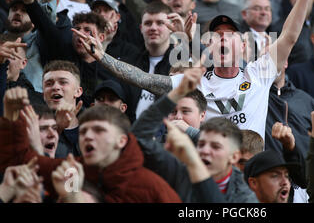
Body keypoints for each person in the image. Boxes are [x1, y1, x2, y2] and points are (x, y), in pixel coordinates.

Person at [76, 0, 314, 141]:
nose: (222, 38)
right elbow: (143, 79)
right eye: (216, 35)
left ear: (243, 45)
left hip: (249, 172)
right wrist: (102, 56)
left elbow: (289, 35)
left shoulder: (259, 73)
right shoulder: (195, 81)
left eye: (229, 34)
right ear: (208, 46)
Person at [0, 87, 182, 203]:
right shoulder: (72, 169)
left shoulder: (152, 188)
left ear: (122, 140)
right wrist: (11, 117)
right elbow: (20, 162)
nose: (88, 136)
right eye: (84, 131)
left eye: (99, 130)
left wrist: (72, 194)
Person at [131, 66, 258, 202]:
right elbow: (137, 138)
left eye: (215, 147)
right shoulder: (180, 165)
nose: (205, 151)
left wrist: (195, 161)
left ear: (234, 157)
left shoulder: (246, 194)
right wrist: (176, 93)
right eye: (201, 144)